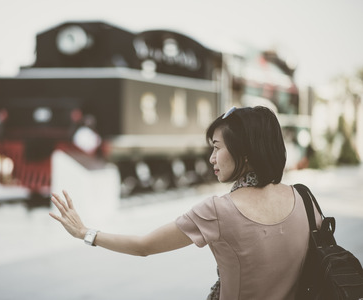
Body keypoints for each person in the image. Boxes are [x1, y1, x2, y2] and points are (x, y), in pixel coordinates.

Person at [49, 106, 322, 299]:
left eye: (217, 147)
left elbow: (144, 246)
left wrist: (86, 233)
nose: (212, 158)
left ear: (245, 153)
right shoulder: (304, 199)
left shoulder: (219, 210)